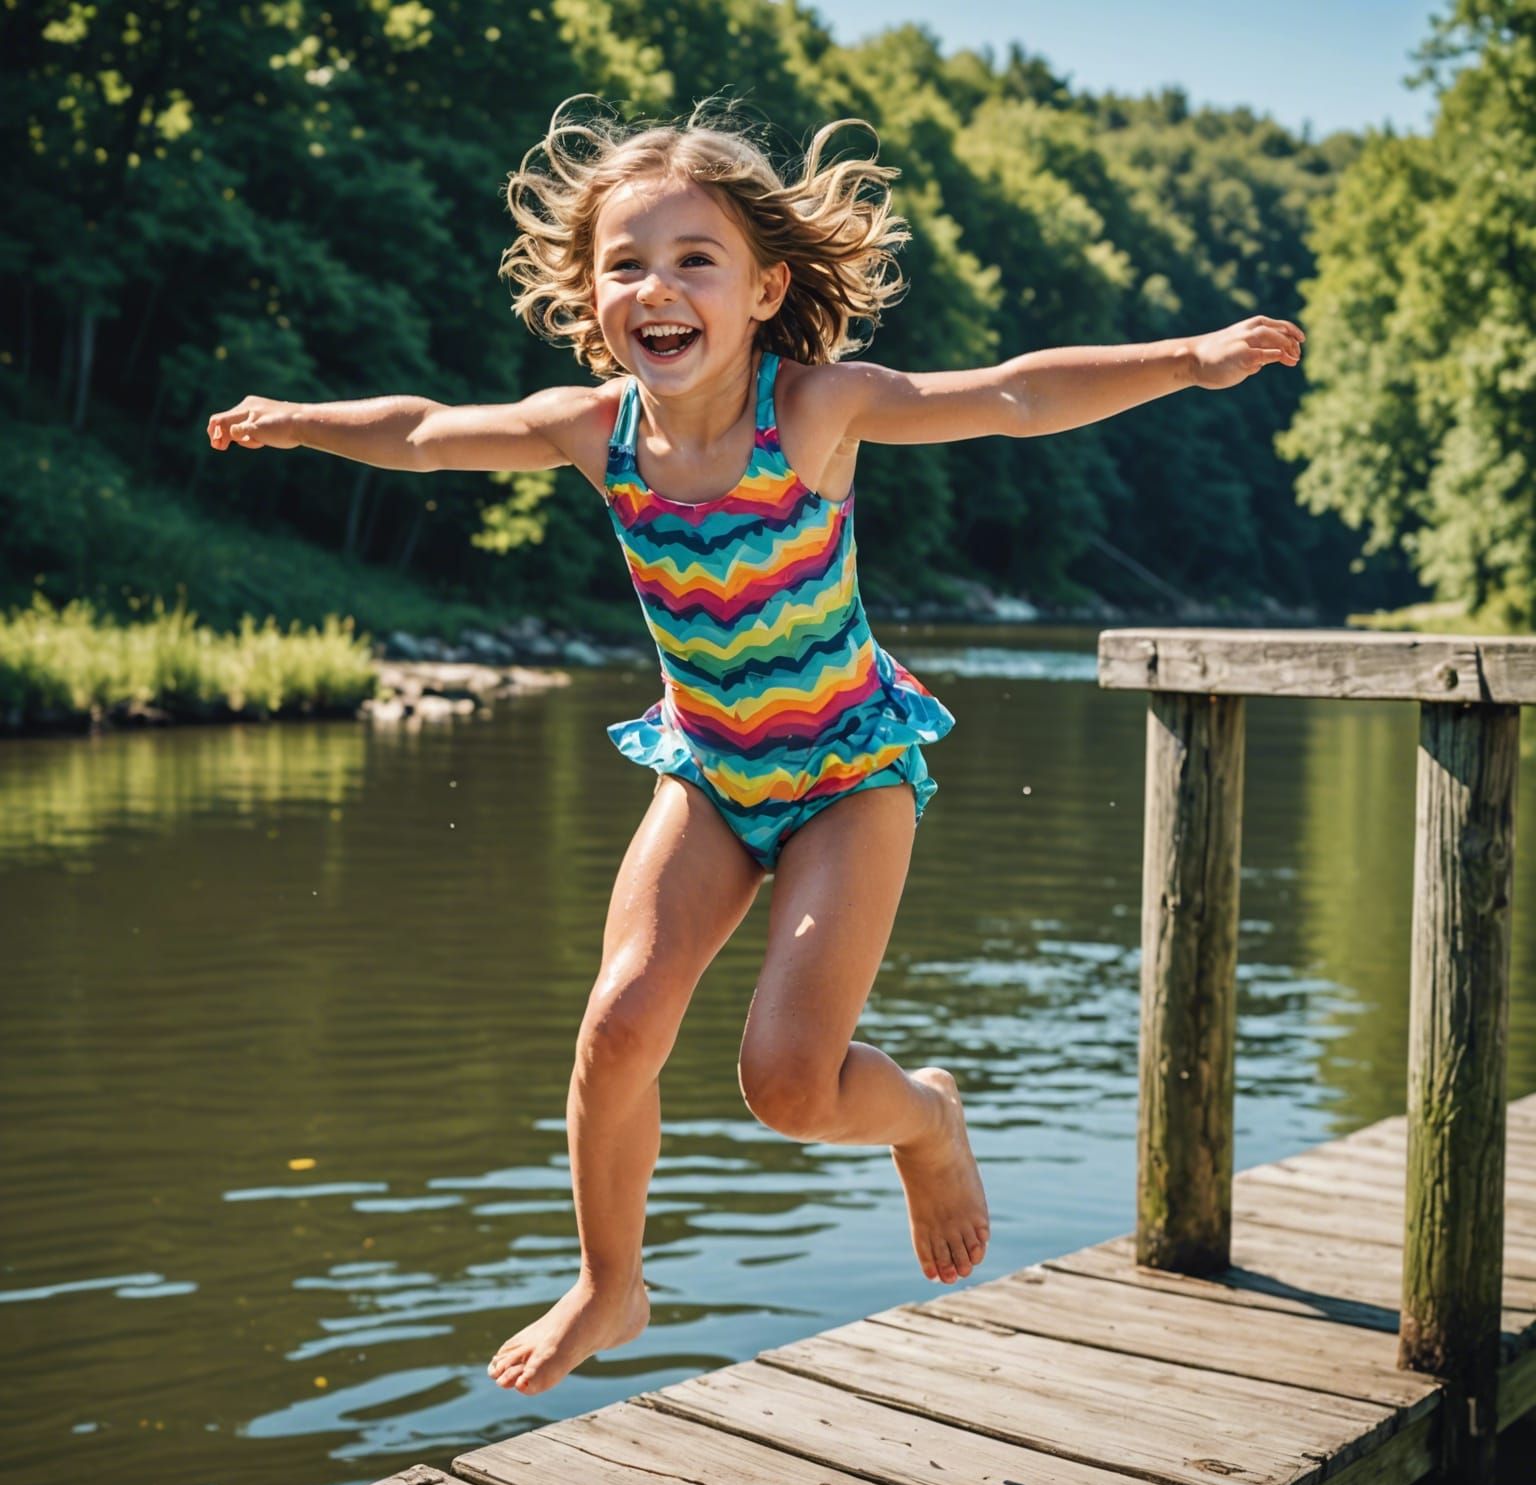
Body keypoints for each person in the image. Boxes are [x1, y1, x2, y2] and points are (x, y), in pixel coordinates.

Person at [206, 94, 1304, 1398]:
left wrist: (1189, 358)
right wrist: (299, 416)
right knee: (617, 1026)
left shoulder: (820, 410)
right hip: (713, 772)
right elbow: (430, 432)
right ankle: (611, 1283)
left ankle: (928, 1118)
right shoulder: (592, 428)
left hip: (848, 772)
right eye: (627, 264)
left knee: (787, 1085)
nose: (655, 289)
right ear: (592, 292)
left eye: (693, 261)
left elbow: (1010, 396)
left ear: (764, 284)